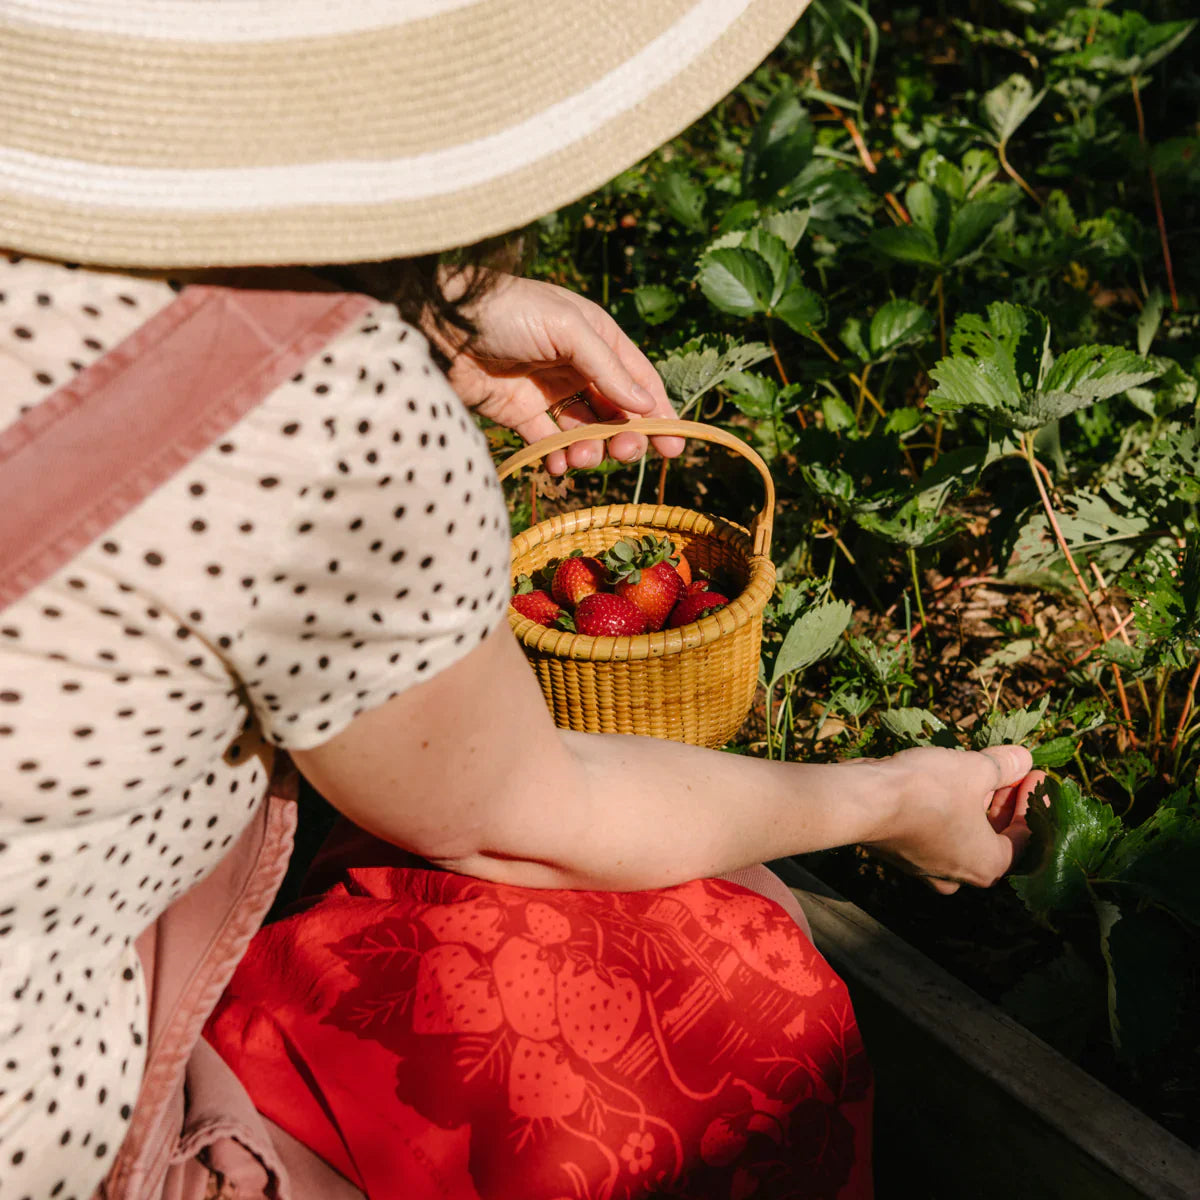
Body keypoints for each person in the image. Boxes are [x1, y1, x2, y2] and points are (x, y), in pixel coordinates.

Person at [0, 2, 1041, 1197]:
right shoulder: (322, 415)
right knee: (733, 1005)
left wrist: (430, 304)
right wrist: (906, 798)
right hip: (63, 1141)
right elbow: (528, 818)